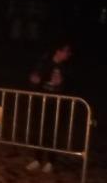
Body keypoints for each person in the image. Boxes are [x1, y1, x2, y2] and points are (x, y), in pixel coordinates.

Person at [25, 41, 72, 173]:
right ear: (58, 51)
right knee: (38, 130)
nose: (68, 54)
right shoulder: (44, 62)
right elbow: (34, 80)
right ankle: (37, 159)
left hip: (57, 104)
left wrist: (62, 84)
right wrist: (33, 81)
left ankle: (51, 161)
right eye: (66, 51)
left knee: (53, 132)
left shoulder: (67, 67)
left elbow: (70, 86)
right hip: (41, 101)